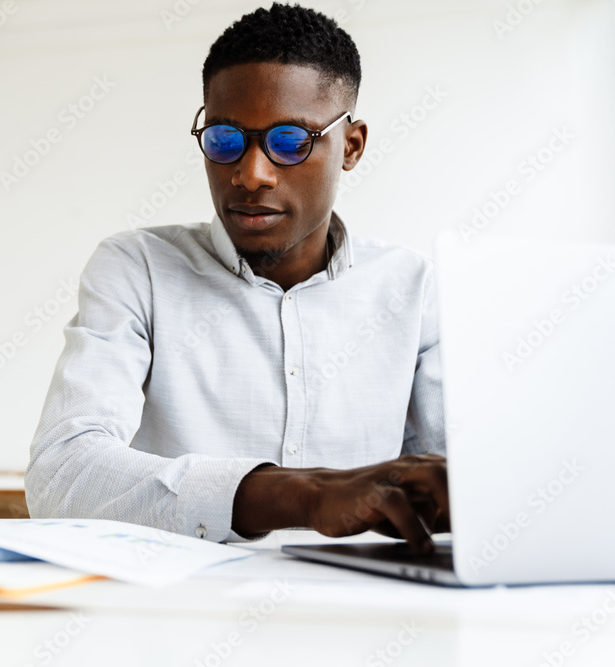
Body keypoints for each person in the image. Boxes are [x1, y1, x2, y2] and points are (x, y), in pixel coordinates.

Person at [26, 3, 449, 554]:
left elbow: (461, 483)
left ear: (350, 146)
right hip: (178, 619)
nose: (251, 174)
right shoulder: (139, 268)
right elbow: (63, 474)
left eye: (290, 141)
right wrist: (306, 495)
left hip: (362, 615)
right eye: (225, 139)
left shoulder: (412, 288)